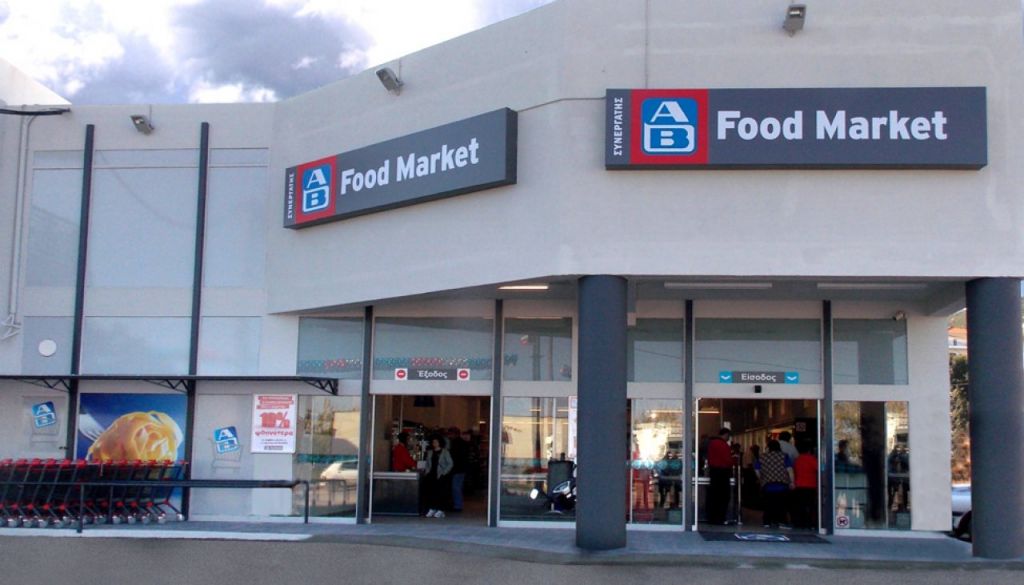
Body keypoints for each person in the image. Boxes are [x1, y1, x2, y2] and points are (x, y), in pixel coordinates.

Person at [755, 439, 795, 529]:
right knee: (781, 505)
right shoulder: (784, 456)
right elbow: (790, 470)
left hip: (767, 484)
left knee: (768, 504)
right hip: (782, 484)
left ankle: (767, 522)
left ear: (768, 447)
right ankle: (781, 522)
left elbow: (757, 469)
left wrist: (761, 478)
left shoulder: (762, 457)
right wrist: (792, 482)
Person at [706, 427, 733, 525]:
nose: (728, 438)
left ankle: (712, 517)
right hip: (723, 473)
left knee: (713, 496)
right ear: (725, 435)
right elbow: (727, 460)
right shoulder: (724, 445)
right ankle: (720, 517)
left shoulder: (711, 444)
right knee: (723, 496)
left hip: (713, 472)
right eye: (728, 436)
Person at [423, 435, 453, 518]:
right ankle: (432, 508)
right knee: (432, 493)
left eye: (436, 442)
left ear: (440, 443)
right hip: (431, 475)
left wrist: (444, 472)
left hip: (440, 475)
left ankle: (440, 509)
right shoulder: (430, 452)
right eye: (433, 442)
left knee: (440, 493)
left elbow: (450, 463)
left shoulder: (445, 452)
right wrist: (427, 472)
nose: (434, 443)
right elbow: (427, 463)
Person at [792, 442, 818, 529]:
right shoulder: (812, 459)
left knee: (800, 505)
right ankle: (810, 523)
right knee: (811, 505)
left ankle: (800, 522)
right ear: (809, 450)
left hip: (799, 485)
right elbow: (818, 469)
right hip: (810, 485)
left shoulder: (797, 459)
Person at [447, 426, 469, 512]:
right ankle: (457, 504)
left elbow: (454, 457)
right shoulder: (463, 443)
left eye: (450, 434)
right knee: (458, 487)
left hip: (457, 469)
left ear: (453, 434)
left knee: (456, 487)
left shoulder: (455, 444)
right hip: (461, 468)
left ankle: (457, 505)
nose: (449, 436)